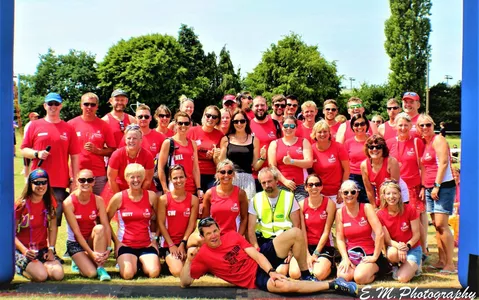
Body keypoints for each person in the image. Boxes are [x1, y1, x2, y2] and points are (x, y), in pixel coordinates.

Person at [180, 217, 358, 296]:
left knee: (295, 233)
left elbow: (256, 256)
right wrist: (189, 259)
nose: (213, 235)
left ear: (219, 230)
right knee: (286, 287)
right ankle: (335, 285)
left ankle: (306, 275)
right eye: (208, 234)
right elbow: (185, 282)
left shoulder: (232, 236)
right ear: (202, 237)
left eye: (215, 231)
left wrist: (272, 271)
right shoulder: (202, 255)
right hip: (253, 278)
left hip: (261, 260)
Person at [21, 92, 80, 227]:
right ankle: (38, 246)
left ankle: (51, 247)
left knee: (54, 220)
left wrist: (75, 180)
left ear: (61, 106)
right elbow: (23, 149)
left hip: (59, 181)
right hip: (37, 179)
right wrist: (37, 154)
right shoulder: (34, 125)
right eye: (50, 104)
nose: (53, 106)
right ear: (45, 106)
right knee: (35, 218)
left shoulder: (69, 128)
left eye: (56, 104)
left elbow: (75, 156)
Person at [248, 167, 305, 277]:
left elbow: (296, 226)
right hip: (264, 243)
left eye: (269, 181)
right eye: (263, 183)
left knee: (283, 272)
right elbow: (250, 229)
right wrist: (257, 251)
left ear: (276, 181)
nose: (267, 185)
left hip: (284, 242)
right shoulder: (256, 198)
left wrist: (290, 250)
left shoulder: (289, 197)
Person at [106, 163, 160, 279]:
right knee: (128, 274)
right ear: (126, 178)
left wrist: (155, 239)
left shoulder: (151, 196)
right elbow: (105, 220)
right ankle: (129, 262)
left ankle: (139, 262)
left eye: (139, 176)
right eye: (132, 177)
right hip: (126, 244)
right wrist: (116, 242)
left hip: (147, 244)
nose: (136, 180)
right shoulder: (119, 197)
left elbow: (161, 219)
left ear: (143, 178)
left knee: (154, 273)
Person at [418, 114, 456, 274]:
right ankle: (441, 260)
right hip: (429, 187)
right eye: (422, 125)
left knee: (442, 225)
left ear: (433, 125)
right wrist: (424, 186)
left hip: (443, 186)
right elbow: (425, 167)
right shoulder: (424, 143)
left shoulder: (438, 139)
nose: (425, 128)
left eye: (428, 125)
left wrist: (437, 186)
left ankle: (450, 264)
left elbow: (444, 163)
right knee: (437, 225)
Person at [386, 112, 427, 255]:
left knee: (417, 221)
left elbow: (423, 166)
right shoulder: (389, 143)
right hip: (395, 188)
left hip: (413, 187)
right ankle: (400, 248)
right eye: (400, 125)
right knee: (398, 219)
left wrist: (423, 186)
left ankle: (422, 249)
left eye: (405, 125)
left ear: (410, 126)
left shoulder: (416, 142)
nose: (403, 128)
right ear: (395, 126)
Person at [335, 180, 389, 284]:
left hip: (369, 254)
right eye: (346, 192)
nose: (349, 195)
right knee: (342, 277)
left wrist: (375, 257)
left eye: (353, 192)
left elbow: (379, 233)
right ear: (341, 194)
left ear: (358, 193)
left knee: (360, 278)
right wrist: (345, 258)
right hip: (351, 255)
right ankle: (358, 269)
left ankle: (379, 269)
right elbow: (340, 239)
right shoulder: (339, 213)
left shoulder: (366, 207)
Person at [14, 169, 64, 282]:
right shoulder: (21, 205)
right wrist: (24, 250)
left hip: (42, 249)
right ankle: (18, 267)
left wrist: (51, 249)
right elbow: (10, 233)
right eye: (37, 182)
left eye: (44, 182)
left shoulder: (50, 201)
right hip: (24, 250)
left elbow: (53, 227)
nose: (41, 186)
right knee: (41, 276)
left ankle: (39, 265)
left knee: (58, 275)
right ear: (30, 184)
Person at [62, 169, 112, 281]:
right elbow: (77, 233)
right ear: (76, 181)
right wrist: (92, 254)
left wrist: (109, 248)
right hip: (75, 243)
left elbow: (106, 225)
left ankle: (100, 267)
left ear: (94, 182)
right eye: (82, 180)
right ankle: (80, 260)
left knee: (100, 228)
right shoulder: (68, 203)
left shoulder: (98, 200)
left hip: (91, 240)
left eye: (89, 180)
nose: (86, 183)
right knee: (91, 273)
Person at [68, 92, 116, 195]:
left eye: (93, 105)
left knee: (99, 205)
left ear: (97, 107)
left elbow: (112, 150)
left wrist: (97, 151)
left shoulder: (104, 125)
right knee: (77, 206)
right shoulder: (71, 124)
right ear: (81, 105)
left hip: (98, 174)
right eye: (86, 104)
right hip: (77, 174)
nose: (89, 107)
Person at [158, 165, 199, 276]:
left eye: (181, 177)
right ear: (170, 180)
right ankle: (168, 261)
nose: (178, 180)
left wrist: (183, 243)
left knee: (197, 266)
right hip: (169, 243)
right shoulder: (164, 199)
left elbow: (192, 224)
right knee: (178, 272)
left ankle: (183, 258)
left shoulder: (193, 200)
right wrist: (171, 245)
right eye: (175, 178)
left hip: (185, 242)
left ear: (186, 178)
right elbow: (161, 224)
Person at [377, 181, 421, 282]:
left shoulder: (410, 209)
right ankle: (395, 266)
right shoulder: (380, 214)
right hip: (395, 248)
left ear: (400, 194)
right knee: (392, 253)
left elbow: (417, 235)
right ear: (383, 196)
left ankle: (416, 264)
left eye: (394, 193)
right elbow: (388, 240)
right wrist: (400, 247)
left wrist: (407, 246)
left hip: (412, 247)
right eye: (388, 194)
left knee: (403, 278)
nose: (391, 197)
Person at [295, 174, 336, 280]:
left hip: (323, 246)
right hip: (306, 246)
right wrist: (307, 254)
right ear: (305, 187)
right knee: (294, 273)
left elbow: (326, 232)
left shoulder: (329, 204)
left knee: (317, 274)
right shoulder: (301, 204)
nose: (314, 188)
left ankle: (330, 267)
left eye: (317, 184)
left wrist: (315, 254)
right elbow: (302, 231)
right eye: (310, 185)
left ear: (321, 187)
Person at [102, 124, 154, 206]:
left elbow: (147, 180)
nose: (131, 141)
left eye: (135, 138)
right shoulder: (117, 154)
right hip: (117, 189)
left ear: (141, 140)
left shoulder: (148, 155)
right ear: (125, 140)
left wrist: (137, 196)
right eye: (129, 138)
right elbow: (112, 179)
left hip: (140, 190)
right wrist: (120, 198)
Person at [219, 110, 266, 199]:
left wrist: (263, 158)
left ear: (246, 122)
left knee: (248, 209)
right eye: (236, 121)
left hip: (247, 179)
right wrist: (217, 155)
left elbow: (255, 166)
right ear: (232, 123)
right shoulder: (226, 139)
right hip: (230, 178)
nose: (239, 123)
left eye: (242, 121)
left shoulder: (254, 140)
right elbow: (221, 163)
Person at [268, 116, 312, 201]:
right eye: (286, 126)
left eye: (292, 126)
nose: (289, 128)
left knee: (300, 211)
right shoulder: (275, 143)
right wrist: (285, 181)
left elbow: (309, 163)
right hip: (280, 185)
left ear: (296, 127)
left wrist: (291, 161)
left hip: (300, 186)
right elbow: (272, 166)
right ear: (282, 127)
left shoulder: (303, 141)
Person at [158, 112, 202, 197]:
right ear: (175, 124)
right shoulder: (168, 142)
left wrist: (199, 188)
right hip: (173, 188)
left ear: (190, 125)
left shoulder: (192, 143)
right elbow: (160, 167)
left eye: (186, 123)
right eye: (180, 123)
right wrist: (165, 188)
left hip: (190, 188)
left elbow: (195, 168)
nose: (183, 126)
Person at [202, 159, 248, 235]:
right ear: (217, 174)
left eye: (229, 172)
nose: (226, 175)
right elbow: (205, 219)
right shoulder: (209, 193)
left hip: (233, 237)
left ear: (233, 174)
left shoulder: (241, 193)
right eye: (222, 172)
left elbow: (244, 219)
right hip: (215, 238)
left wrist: (238, 237)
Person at [360, 135, 408, 208]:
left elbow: (394, 187)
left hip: (396, 193)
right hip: (381, 195)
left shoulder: (391, 161)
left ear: (383, 149)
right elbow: (369, 190)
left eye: (378, 147)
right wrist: (374, 207)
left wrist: (384, 206)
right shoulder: (364, 165)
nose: (374, 149)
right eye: (371, 147)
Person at [311, 120, 350, 207]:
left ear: (329, 133)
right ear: (314, 134)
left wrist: (342, 190)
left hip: (337, 193)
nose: (322, 134)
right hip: (320, 193)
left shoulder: (338, 147)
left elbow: (347, 170)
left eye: (325, 131)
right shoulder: (311, 150)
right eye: (319, 132)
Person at [187, 105, 224, 192]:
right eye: (208, 115)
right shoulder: (192, 131)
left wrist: (214, 156)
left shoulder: (220, 135)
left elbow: (221, 161)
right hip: (193, 173)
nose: (210, 119)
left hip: (211, 175)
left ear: (218, 120)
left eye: (214, 117)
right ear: (204, 116)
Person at [249, 96, 282, 191]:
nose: (260, 108)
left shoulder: (276, 124)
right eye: (257, 105)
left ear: (267, 107)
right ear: (252, 108)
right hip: (254, 176)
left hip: (274, 175)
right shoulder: (247, 125)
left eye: (262, 105)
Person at [343, 114, 370, 203]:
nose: (359, 127)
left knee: (370, 203)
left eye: (362, 124)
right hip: (353, 177)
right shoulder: (348, 143)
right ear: (352, 127)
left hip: (371, 176)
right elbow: (345, 164)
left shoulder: (372, 141)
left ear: (366, 125)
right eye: (356, 124)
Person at [22, 112, 39, 179]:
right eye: (35, 117)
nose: (37, 118)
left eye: (37, 117)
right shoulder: (29, 125)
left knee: (34, 162)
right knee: (27, 163)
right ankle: (26, 178)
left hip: (34, 146)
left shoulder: (37, 125)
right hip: (28, 146)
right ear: (31, 117)